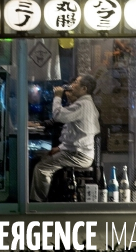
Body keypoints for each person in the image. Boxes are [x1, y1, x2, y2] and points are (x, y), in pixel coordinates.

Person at [30, 74, 100, 202]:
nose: (72, 86)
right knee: (38, 157)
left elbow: (58, 116)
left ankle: (38, 203)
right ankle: (48, 196)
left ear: (84, 89)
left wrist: (57, 97)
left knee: (42, 168)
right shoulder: (86, 105)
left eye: (76, 83)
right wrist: (60, 148)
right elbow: (76, 136)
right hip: (76, 152)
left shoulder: (83, 105)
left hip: (78, 155)